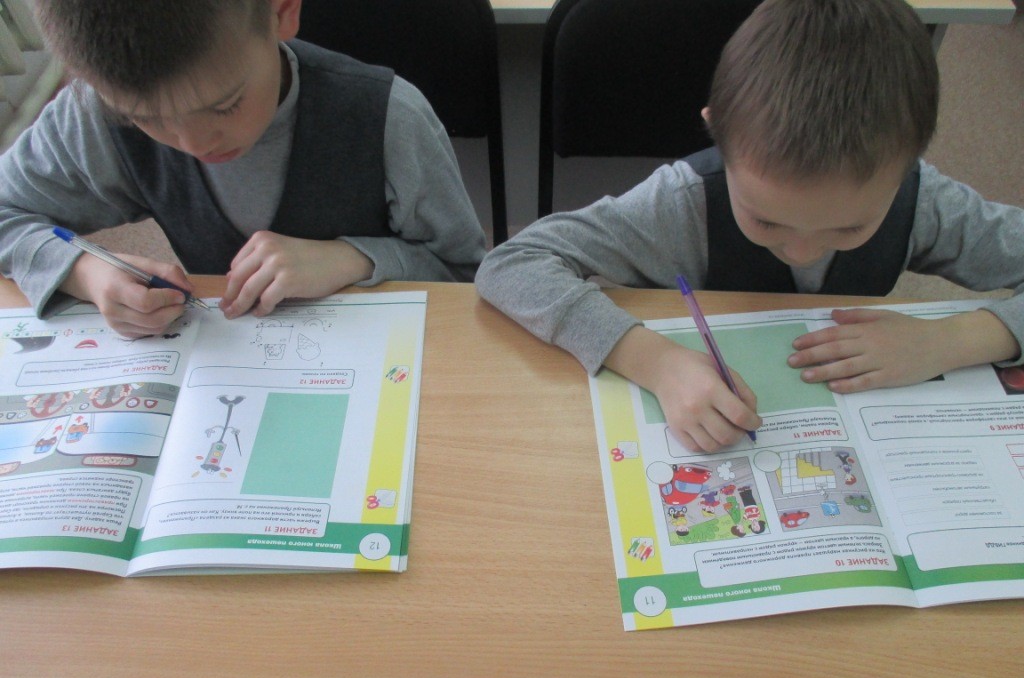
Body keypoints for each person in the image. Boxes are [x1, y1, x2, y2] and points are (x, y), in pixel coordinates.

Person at [476, 0, 1024, 454]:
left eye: (848, 228)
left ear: (909, 165)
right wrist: (653, 360)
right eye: (766, 219)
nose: (802, 251)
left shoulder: (924, 202)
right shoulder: (684, 206)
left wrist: (951, 340)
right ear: (717, 132)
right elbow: (512, 264)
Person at [0, 0, 485, 338]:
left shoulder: (390, 118)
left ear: (281, 11)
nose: (193, 144)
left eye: (225, 105)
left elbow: (464, 272)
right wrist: (81, 270)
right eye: (146, 118)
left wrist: (355, 259)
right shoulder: (96, 115)